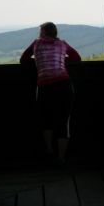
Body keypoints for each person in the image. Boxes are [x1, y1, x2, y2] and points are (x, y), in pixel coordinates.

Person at [20, 22, 81, 164]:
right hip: (64, 85)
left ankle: (49, 150)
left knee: (45, 119)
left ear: (43, 32)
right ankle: (61, 158)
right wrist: (62, 59)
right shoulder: (62, 44)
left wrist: (39, 61)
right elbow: (76, 58)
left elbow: (23, 59)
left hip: (44, 86)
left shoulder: (36, 43)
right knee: (63, 121)